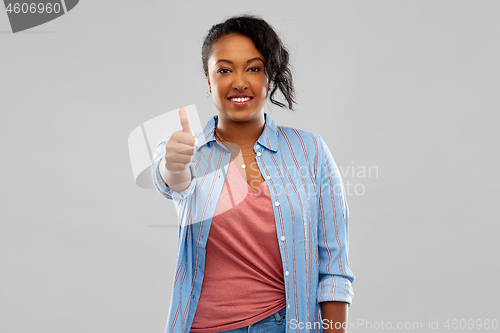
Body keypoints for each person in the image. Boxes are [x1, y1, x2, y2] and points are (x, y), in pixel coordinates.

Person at [152, 15, 355, 333]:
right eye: (224, 69)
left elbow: (334, 268)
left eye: (253, 68)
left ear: (270, 76)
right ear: (208, 80)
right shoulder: (187, 149)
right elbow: (172, 181)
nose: (239, 81)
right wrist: (173, 164)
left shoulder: (310, 151)